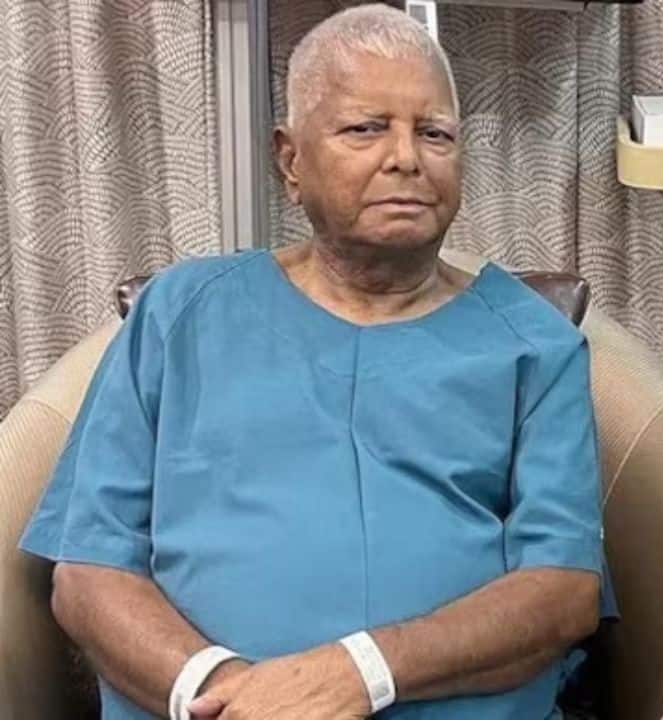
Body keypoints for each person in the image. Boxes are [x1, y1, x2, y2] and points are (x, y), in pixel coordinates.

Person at [20, 6, 607, 719]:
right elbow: (88, 571)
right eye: (366, 128)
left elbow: (563, 591)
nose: (406, 158)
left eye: (435, 133)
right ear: (291, 160)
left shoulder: (535, 344)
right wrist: (229, 693)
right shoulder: (178, 315)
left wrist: (360, 673)